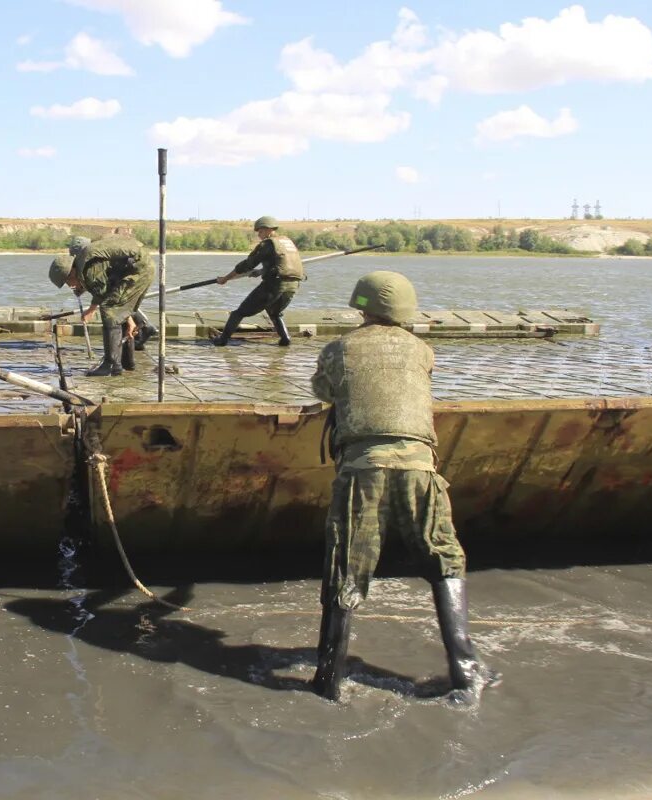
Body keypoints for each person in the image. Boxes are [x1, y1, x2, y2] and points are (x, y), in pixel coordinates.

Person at [309, 270, 499, 706]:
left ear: (362, 308)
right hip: (422, 470)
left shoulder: (339, 348)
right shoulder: (422, 350)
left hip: (363, 469)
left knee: (347, 566)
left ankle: (328, 683)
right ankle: (468, 673)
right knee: (444, 558)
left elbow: (324, 389)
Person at [49, 233, 156, 376]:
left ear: (71, 272)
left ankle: (111, 365)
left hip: (139, 268)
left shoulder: (88, 269)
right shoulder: (85, 262)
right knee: (114, 310)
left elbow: (104, 293)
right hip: (140, 265)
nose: (71, 286)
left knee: (109, 310)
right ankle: (125, 363)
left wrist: (92, 309)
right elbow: (110, 289)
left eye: (68, 282)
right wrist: (129, 319)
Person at [212, 216, 304, 346]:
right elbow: (282, 265)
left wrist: (225, 278)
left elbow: (247, 265)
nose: (259, 235)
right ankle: (285, 339)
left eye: (260, 232)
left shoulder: (268, 244)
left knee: (238, 313)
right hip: (293, 285)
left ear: (268, 230)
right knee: (275, 313)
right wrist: (261, 271)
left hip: (274, 285)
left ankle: (222, 340)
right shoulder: (287, 242)